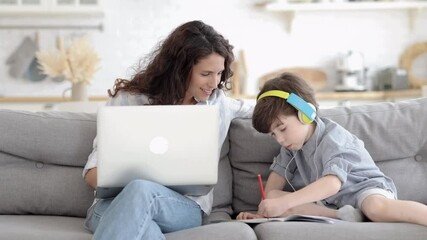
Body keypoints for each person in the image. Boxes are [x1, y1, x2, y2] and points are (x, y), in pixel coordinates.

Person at [83, 20, 253, 240]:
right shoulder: (130, 100)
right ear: (179, 70)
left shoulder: (219, 104)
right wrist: (130, 180)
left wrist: (304, 109)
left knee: (143, 192)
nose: (214, 82)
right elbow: (92, 174)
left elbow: (263, 110)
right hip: (110, 206)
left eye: (219, 73)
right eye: (205, 74)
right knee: (145, 222)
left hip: (182, 209)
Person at [237, 73, 427, 227]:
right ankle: (343, 216)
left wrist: (286, 203)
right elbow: (272, 189)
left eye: (282, 129)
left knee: (374, 207)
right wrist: (263, 211)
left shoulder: (333, 138)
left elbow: (332, 184)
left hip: (365, 190)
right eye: (273, 134)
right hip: (333, 204)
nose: (280, 139)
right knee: (274, 197)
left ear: (305, 114)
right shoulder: (291, 147)